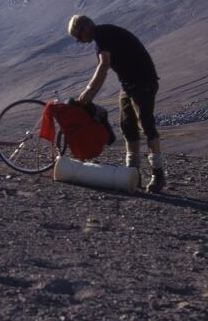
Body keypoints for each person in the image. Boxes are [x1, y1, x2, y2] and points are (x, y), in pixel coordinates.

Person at [67, 14, 165, 193]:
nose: (79, 41)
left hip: (143, 83)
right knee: (128, 126)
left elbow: (103, 66)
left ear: (84, 29)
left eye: (78, 37)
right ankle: (132, 173)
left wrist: (89, 91)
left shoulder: (103, 35)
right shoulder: (102, 36)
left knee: (147, 126)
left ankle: (158, 174)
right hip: (129, 85)